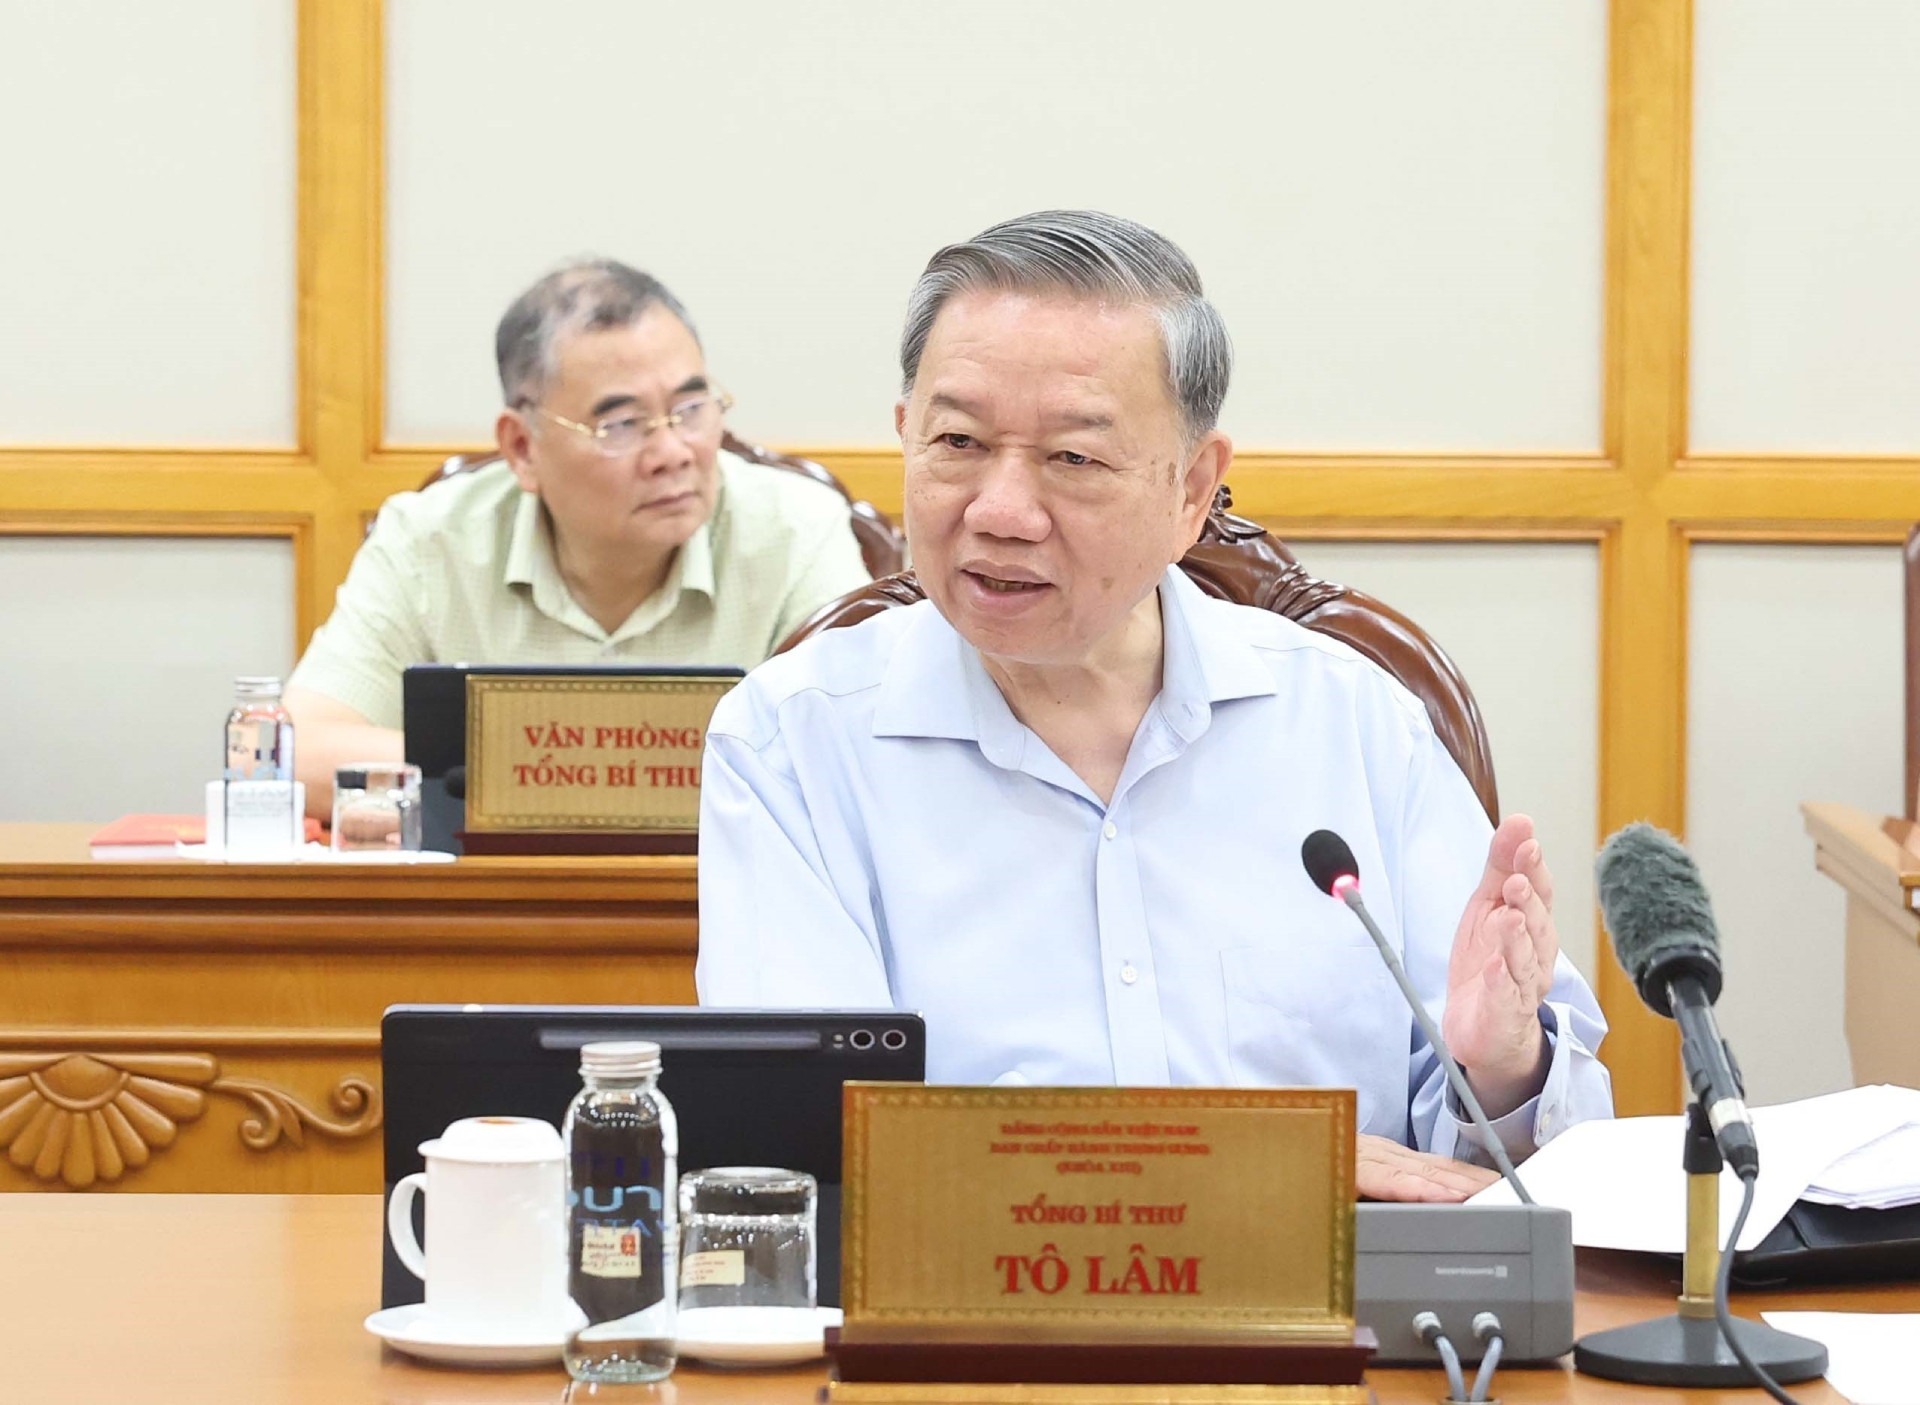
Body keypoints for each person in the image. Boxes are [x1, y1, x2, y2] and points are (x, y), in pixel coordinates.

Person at [694, 211, 1612, 1202]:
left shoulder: (1352, 721)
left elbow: (1533, 1167)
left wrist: (1502, 1066)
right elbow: (801, 1150)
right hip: (978, 1298)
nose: (1000, 510)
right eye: (957, 441)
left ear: (1192, 488)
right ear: (904, 435)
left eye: (1073, 459)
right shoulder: (790, 741)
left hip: (1347, 1297)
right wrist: (1267, 1162)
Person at [285, 259, 872, 817]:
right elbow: (299, 750)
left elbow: (856, 756)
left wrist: (511, 772)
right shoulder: (430, 541)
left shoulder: (796, 530)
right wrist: (557, 770)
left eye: (691, 408)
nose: (673, 452)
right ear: (523, 447)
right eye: (621, 424)